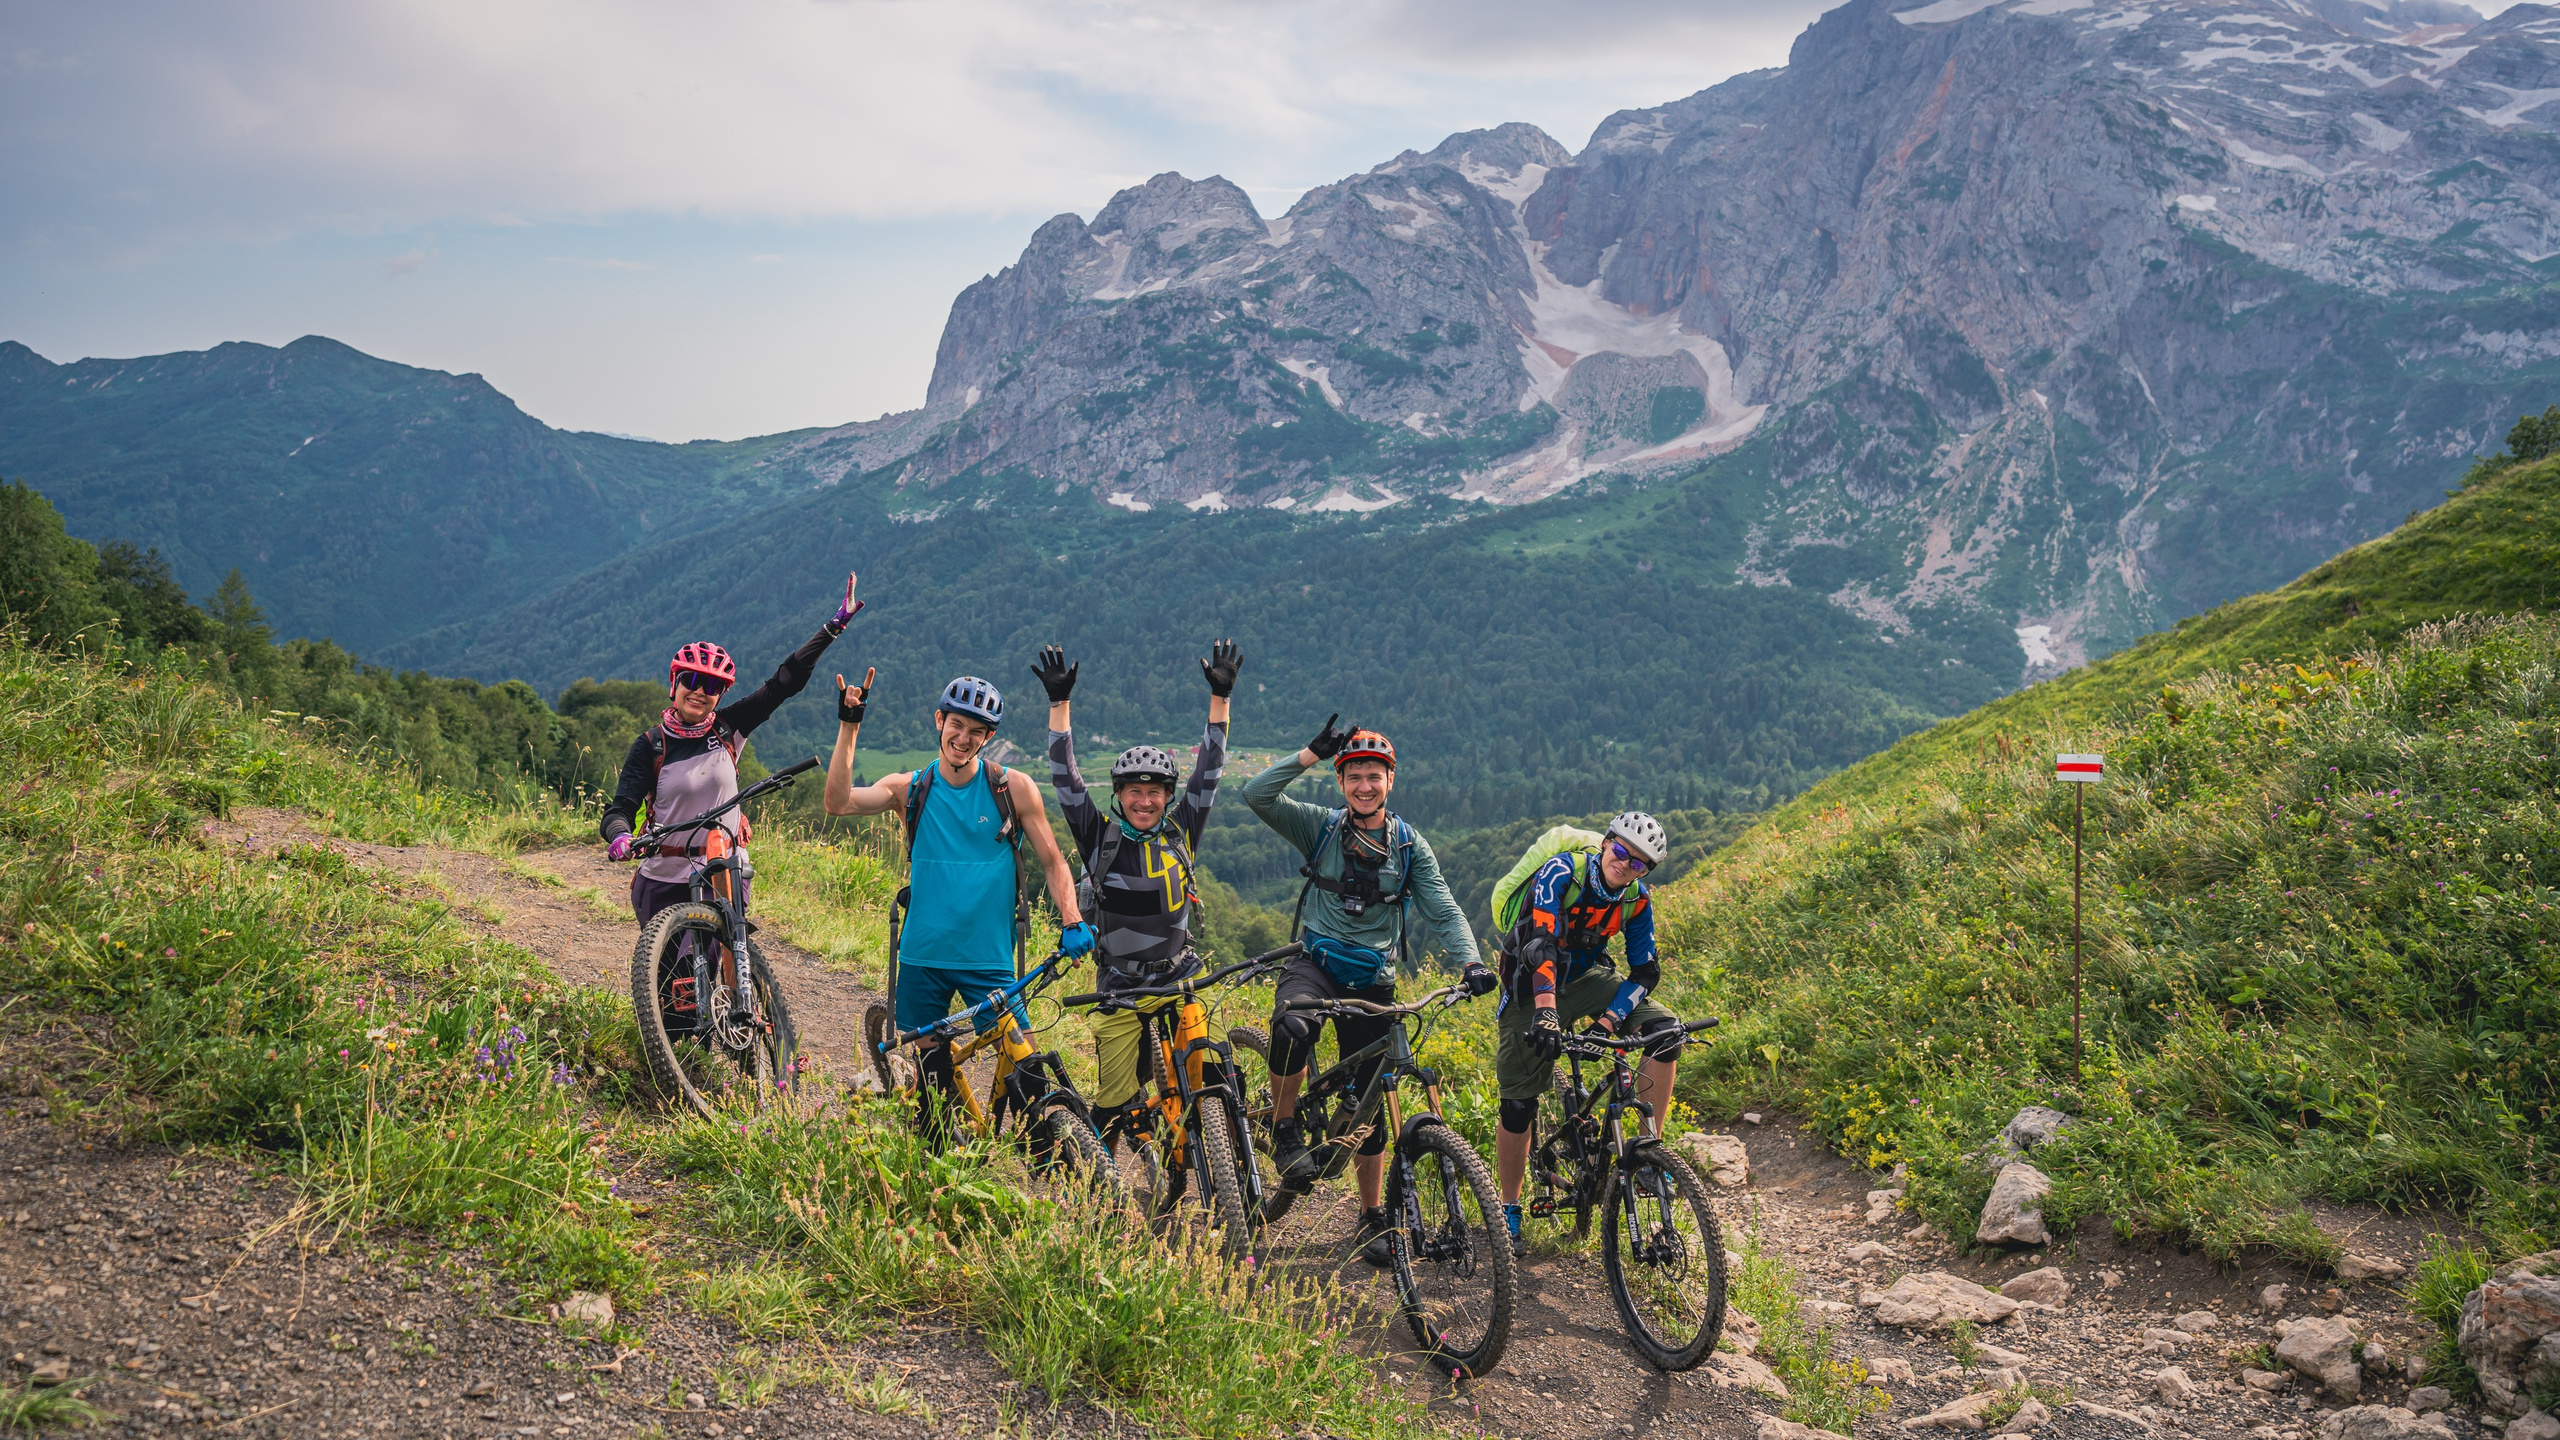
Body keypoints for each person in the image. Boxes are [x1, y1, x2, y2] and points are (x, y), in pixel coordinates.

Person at [1242, 717, 1494, 1264]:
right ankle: (1284, 1128)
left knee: (1372, 1098)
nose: (1364, 786)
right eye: (1353, 776)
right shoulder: (1319, 827)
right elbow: (1256, 794)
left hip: (1373, 977)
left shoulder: (1408, 846)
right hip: (1315, 962)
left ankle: (1372, 1215)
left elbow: (1443, 908)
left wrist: (1471, 962)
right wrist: (1309, 754)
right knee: (1291, 1027)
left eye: (1373, 776)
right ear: (1340, 782)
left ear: (1390, 781)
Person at [822, 666, 1092, 1137]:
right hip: (923, 958)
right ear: (939, 721)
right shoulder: (910, 788)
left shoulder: (1012, 788)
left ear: (988, 737)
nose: (963, 739)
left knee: (1029, 1080)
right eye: (957, 725)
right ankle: (941, 1163)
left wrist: (1071, 919)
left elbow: (1053, 862)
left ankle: (1053, 1165)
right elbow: (838, 802)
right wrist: (850, 725)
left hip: (989, 963)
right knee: (933, 1094)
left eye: (976, 731)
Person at [1034, 639, 1240, 1151]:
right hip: (1119, 989)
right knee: (1113, 1102)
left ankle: (1225, 1159)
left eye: (1155, 792)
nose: (1144, 801)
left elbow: (1209, 769)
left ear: (1169, 797)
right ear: (1119, 796)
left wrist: (1221, 698)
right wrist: (1060, 703)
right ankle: (1098, 1182)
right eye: (1134, 791)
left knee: (1214, 1074)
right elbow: (1065, 780)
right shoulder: (1099, 837)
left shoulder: (1182, 830)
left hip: (1180, 979)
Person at [602, 570, 862, 930]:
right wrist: (620, 836)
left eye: (711, 686)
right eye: (692, 680)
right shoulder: (652, 744)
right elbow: (620, 809)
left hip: (723, 867)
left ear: (720, 694)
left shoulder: (728, 727)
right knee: (666, 965)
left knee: (719, 955)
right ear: (675, 683)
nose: (699, 691)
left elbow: (784, 683)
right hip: (664, 875)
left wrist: (833, 628)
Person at [1492, 811, 1683, 1258]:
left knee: (1666, 1032)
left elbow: (1645, 972)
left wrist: (1609, 1022)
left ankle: (1648, 1154)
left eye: (1639, 863)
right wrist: (1545, 1013)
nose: (1626, 864)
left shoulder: (1635, 899)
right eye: (1621, 852)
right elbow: (1540, 944)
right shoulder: (1562, 871)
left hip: (1586, 978)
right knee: (1518, 1104)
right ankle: (1508, 1207)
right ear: (1605, 843)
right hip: (1530, 984)